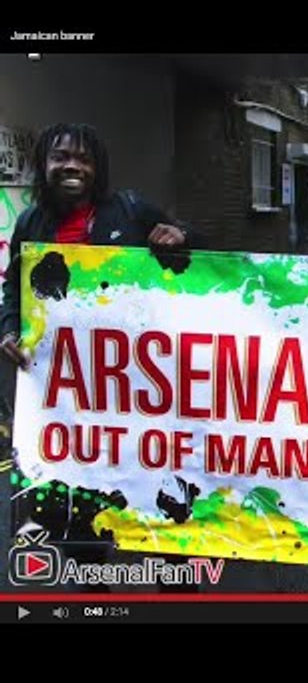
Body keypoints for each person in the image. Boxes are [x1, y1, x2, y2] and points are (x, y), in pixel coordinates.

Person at [0, 123, 203, 591]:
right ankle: (92, 593)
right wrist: (9, 327)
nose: (72, 166)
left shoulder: (129, 210)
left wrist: (180, 234)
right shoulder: (31, 222)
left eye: (83, 158)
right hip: (70, 399)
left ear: (98, 169)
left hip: (138, 390)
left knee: (158, 500)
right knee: (77, 510)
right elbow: (15, 284)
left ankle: (179, 591)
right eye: (60, 157)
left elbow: (196, 247)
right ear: (45, 166)